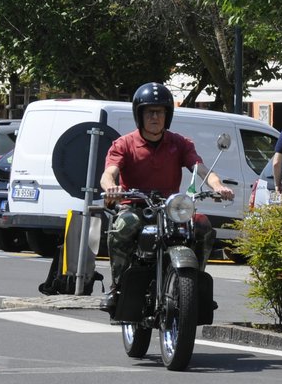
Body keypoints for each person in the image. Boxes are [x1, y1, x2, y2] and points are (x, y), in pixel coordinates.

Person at [100, 82, 234, 274]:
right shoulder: (124, 144)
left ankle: (195, 278)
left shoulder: (180, 143)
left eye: (160, 112)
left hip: (171, 209)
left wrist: (218, 186)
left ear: (167, 115)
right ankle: (118, 284)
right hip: (136, 207)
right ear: (139, 115)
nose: (155, 117)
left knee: (202, 224)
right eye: (149, 112)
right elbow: (108, 173)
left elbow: (201, 169)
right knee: (123, 226)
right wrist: (111, 187)